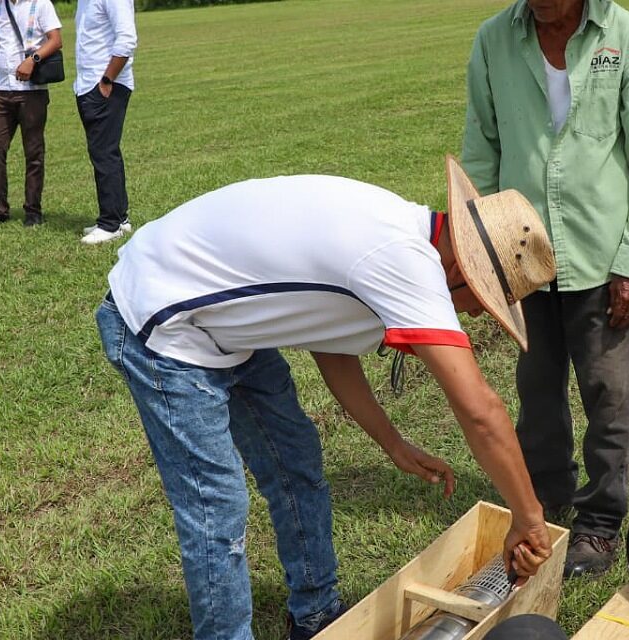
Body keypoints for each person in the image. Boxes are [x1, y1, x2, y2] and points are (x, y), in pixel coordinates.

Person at [95, 157, 557, 640]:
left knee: (295, 458)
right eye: (481, 300)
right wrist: (529, 518)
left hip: (222, 319)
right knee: (217, 507)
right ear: (460, 268)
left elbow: (330, 344)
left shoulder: (399, 229)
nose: (476, 315)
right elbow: (480, 410)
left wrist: (393, 444)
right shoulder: (405, 262)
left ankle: (315, 616)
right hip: (162, 319)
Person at [462, 0, 629, 578]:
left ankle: (600, 523)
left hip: (603, 258)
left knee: (609, 393)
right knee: (537, 391)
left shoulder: (624, 35)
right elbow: (482, 147)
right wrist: (483, 256)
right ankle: (547, 503)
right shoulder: (493, 40)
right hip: (523, 256)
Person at [0, 0, 62, 229]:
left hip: (32, 92)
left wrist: (32, 60)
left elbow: (55, 40)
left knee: (33, 153)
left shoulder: (41, 4)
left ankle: (33, 211)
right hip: (1, 92)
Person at [74, 0, 136, 245]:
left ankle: (109, 223)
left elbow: (127, 38)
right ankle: (119, 219)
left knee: (104, 153)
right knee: (105, 152)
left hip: (106, 84)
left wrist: (107, 79)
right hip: (89, 84)